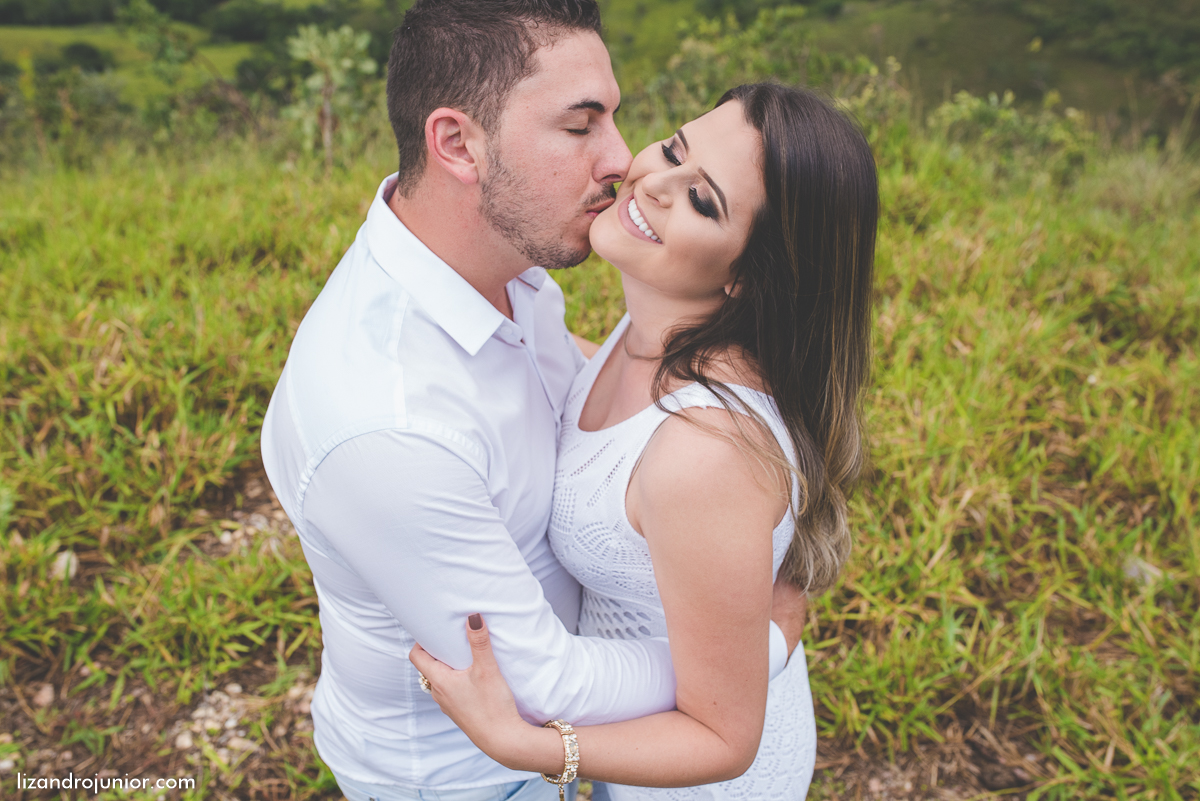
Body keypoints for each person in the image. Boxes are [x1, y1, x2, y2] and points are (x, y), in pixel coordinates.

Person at [260, 2, 806, 800]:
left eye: (614, 116)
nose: (621, 159)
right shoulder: (390, 423)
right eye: (580, 126)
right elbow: (542, 681)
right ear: (458, 144)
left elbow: (568, 388)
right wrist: (756, 645)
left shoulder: (509, 269)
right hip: (469, 777)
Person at [410, 83, 879, 800]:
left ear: (750, 275)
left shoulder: (703, 452)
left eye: (702, 200)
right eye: (674, 148)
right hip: (641, 731)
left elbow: (723, 739)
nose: (655, 182)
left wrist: (526, 745)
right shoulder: (655, 328)